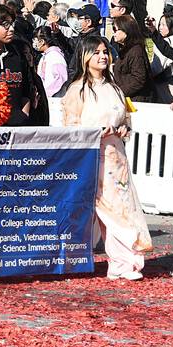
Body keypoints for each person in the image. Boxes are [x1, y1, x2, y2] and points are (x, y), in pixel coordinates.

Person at [60, 37, 152, 280]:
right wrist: (96, 133)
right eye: (96, 52)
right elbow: (71, 128)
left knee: (124, 208)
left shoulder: (115, 88)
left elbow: (125, 119)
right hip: (92, 159)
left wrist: (123, 129)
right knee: (107, 211)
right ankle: (119, 263)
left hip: (117, 158)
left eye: (105, 52)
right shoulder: (76, 90)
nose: (102, 56)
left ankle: (125, 262)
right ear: (85, 57)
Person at [109, 14, 151, 103]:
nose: (114, 33)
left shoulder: (136, 51)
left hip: (137, 101)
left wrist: (118, 92)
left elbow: (139, 79)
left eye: (115, 30)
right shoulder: (125, 49)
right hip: (128, 98)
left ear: (126, 30)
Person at [33, 26, 70, 98]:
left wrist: (46, 93)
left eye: (35, 40)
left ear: (42, 41)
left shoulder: (55, 56)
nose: (34, 43)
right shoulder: (45, 56)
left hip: (54, 100)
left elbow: (61, 78)